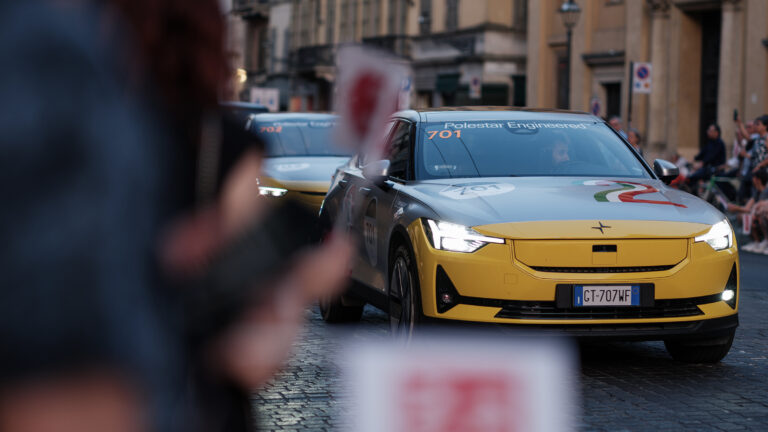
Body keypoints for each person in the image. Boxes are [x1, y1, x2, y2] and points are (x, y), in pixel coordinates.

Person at [727, 170, 768, 253]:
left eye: (754, 178)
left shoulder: (766, 192)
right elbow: (747, 208)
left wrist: (737, 208)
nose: (752, 179)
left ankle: (764, 241)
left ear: (758, 180)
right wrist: (736, 208)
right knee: (742, 216)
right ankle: (756, 242)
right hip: (757, 214)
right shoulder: (756, 192)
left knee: (758, 216)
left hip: (761, 214)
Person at [687, 123, 726, 190]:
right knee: (691, 176)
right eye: (708, 130)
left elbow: (712, 157)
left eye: (710, 131)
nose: (708, 132)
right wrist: (693, 159)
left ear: (716, 133)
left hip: (715, 170)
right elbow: (702, 153)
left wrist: (702, 163)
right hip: (708, 169)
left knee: (693, 177)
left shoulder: (719, 143)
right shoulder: (710, 142)